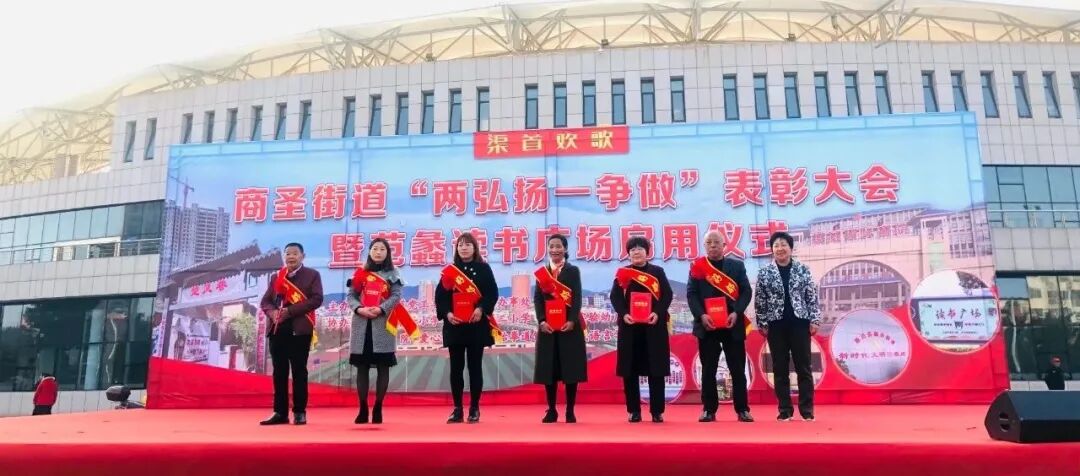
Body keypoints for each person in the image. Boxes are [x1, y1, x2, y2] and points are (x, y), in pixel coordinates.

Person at [687, 231, 754, 423]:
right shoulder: (698, 267)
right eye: (708, 242)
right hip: (707, 325)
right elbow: (691, 294)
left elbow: (746, 291)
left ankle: (742, 409)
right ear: (704, 246)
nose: (713, 245)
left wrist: (737, 312)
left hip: (732, 323)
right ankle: (709, 410)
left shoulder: (737, 266)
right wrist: (702, 315)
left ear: (724, 245)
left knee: (737, 369)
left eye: (716, 242)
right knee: (708, 369)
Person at [754, 231, 821, 422]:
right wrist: (762, 322)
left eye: (784, 245)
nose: (780, 248)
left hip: (800, 323)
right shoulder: (765, 272)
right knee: (780, 367)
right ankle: (785, 409)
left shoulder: (803, 269)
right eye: (776, 245)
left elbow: (811, 296)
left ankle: (807, 410)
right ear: (772, 250)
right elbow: (760, 300)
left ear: (791, 248)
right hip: (776, 325)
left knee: (803, 367)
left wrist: (814, 319)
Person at [435, 232, 499, 423]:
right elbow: (440, 297)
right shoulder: (450, 271)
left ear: (474, 248)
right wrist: (447, 313)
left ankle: (474, 408)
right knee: (456, 369)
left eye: (468, 245)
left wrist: (481, 309)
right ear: (456, 249)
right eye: (460, 245)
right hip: (455, 326)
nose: (464, 248)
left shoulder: (484, 269)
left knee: (475, 368)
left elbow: (492, 293)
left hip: (476, 326)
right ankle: (457, 409)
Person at [259, 242, 324, 426]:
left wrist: (290, 311)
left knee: (299, 371)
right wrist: (272, 313)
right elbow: (265, 301)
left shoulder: (312, 275)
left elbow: (317, 299)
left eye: (295, 253)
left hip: (300, 330)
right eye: (288, 253)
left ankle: (299, 412)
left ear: (303, 256)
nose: (291, 257)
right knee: (279, 372)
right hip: (277, 329)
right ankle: (280, 412)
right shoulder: (277, 277)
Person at [610, 236, 673, 423]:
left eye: (640, 248)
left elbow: (667, 295)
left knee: (656, 369)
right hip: (630, 327)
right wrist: (623, 314)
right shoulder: (623, 273)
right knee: (630, 370)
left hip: (653, 326)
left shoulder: (657, 272)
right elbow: (615, 297)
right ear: (628, 254)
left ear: (647, 252)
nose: (636, 252)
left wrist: (657, 313)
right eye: (632, 249)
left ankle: (657, 411)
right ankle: (634, 411)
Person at [533, 233, 588, 423]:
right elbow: (538, 299)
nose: (555, 250)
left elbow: (577, 297)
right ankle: (551, 410)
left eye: (558, 246)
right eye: (551, 246)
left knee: (571, 369)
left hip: (569, 328)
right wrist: (541, 321)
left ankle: (570, 410)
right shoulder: (543, 273)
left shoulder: (573, 271)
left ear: (565, 249)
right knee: (549, 370)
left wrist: (572, 320)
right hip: (548, 329)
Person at [348, 238, 403, 424]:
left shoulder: (393, 273)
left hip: (383, 324)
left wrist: (381, 309)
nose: (378, 252)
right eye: (375, 249)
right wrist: (359, 309)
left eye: (382, 249)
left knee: (383, 367)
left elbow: (396, 296)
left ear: (388, 253)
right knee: (362, 368)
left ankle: (378, 407)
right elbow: (351, 296)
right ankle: (363, 408)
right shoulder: (360, 273)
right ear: (370, 251)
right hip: (362, 323)